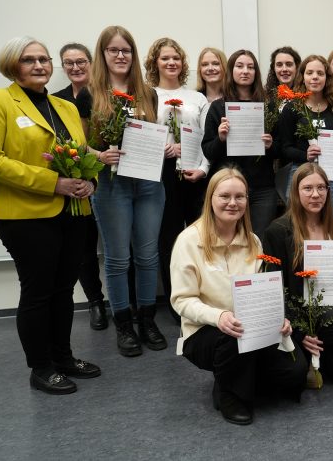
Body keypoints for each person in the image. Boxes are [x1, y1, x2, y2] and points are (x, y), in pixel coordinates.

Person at [0, 36, 100, 394]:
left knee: (64, 290)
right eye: (30, 60)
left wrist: (89, 180)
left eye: (44, 59)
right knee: (38, 292)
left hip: (74, 210)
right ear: (13, 65)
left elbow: (81, 151)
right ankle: (40, 367)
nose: (40, 65)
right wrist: (52, 183)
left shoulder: (65, 106)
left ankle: (63, 357)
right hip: (27, 216)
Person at [170, 167, 306, 425]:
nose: (233, 203)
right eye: (224, 196)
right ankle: (230, 393)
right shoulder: (188, 241)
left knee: (295, 372)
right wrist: (219, 316)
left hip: (249, 327)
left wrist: (278, 318)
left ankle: (235, 375)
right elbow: (181, 301)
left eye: (240, 196)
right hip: (206, 331)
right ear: (210, 198)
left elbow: (260, 291)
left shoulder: (253, 241)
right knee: (231, 339)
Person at [87, 25, 166, 357]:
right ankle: (123, 324)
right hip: (110, 185)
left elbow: (154, 132)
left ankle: (147, 319)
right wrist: (99, 156)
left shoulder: (148, 92)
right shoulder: (89, 93)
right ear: (102, 54)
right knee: (118, 259)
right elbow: (75, 146)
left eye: (126, 50)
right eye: (113, 50)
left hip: (148, 183)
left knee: (149, 257)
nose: (120, 56)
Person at [261, 163, 333, 383]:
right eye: (308, 188)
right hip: (293, 313)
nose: (316, 195)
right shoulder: (277, 231)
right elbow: (275, 289)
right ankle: (304, 345)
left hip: (328, 308)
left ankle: (317, 348)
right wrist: (299, 332)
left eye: (321, 188)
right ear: (295, 192)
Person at [145, 38, 210, 320]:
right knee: (168, 240)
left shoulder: (197, 97)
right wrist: (164, 148)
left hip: (194, 175)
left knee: (201, 238)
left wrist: (190, 153)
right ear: (155, 63)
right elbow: (142, 136)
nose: (171, 62)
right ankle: (177, 303)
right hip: (162, 175)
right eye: (165, 58)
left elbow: (208, 140)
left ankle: (204, 298)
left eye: (176, 58)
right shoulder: (147, 95)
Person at [52, 42, 106, 330]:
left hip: (105, 180)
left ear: (91, 62)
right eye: (69, 62)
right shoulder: (54, 100)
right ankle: (95, 302)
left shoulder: (104, 95)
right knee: (83, 249)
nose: (76, 67)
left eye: (81, 61)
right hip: (74, 186)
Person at [201, 49, 276, 237]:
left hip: (262, 188)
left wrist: (270, 145)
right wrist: (220, 139)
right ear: (231, 71)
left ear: (256, 73)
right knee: (228, 239)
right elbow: (208, 151)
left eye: (250, 67)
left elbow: (282, 149)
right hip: (228, 189)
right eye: (240, 66)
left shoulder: (269, 106)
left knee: (260, 241)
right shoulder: (218, 107)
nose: (245, 71)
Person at [277, 55, 333, 213]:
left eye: (320, 73)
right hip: (301, 171)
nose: (315, 77)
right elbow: (284, 148)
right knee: (298, 227)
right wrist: (305, 155)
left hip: (332, 175)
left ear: (327, 78)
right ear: (302, 77)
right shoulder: (292, 108)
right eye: (310, 73)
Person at [195, 47, 227, 124]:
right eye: (205, 64)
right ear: (200, 70)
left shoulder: (234, 99)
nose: (210, 68)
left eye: (216, 64)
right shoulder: (194, 99)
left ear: (224, 67)